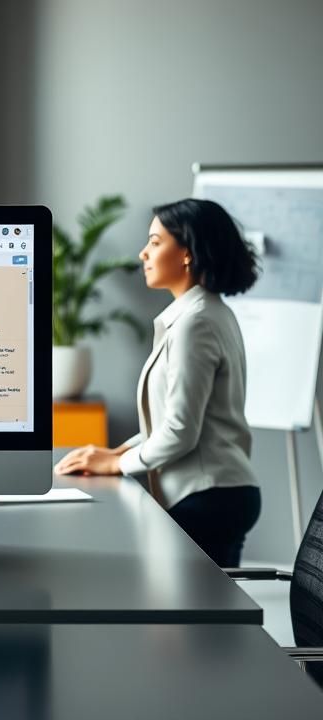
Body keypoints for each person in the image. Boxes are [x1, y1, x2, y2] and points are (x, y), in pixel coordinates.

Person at [54, 198, 261, 567]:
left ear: (186, 253)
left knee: (183, 617)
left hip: (206, 495)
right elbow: (170, 422)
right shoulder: (209, 313)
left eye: (154, 242)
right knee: (203, 618)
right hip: (222, 491)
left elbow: (181, 431)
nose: (142, 253)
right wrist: (116, 452)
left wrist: (117, 465)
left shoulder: (195, 323)